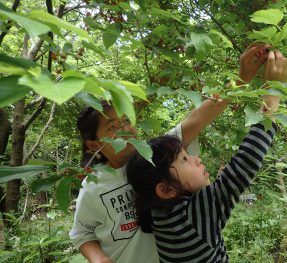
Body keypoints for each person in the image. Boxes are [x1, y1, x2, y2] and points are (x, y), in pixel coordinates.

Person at [69, 44, 272, 263]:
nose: (126, 130)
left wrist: (241, 78)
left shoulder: (158, 155)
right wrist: (100, 260)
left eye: (127, 120)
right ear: (92, 145)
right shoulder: (92, 188)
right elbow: (82, 234)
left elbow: (198, 117)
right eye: (113, 127)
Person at [126, 51, 287, 262]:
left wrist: (241, 79)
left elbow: (193, 120)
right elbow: (246, 162)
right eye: (185, 159)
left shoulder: (160, 214)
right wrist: (273, 92)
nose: (197, 159)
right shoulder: (191, 216)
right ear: (166, 190)